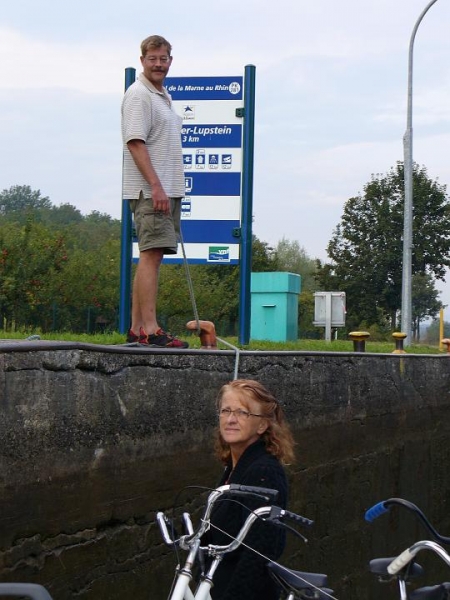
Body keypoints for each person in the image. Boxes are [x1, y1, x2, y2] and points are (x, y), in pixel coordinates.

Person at [121, 34, 188, 348]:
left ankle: (138, 329)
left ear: (170, 61)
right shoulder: (139, 95)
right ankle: (150, 329)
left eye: (163, 59)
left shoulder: (162, 96)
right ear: (142, 61)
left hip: (166, 189)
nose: (158, 64)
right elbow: (135, 142)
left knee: (152, 255)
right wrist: (155, 186)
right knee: (151, 255)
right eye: (153, 59)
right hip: (152, 191)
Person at [206, 379, 296, 600]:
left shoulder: (264, 471)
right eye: (226, 411)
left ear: (262, 425)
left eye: (242, 413)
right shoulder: (234, 467)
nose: (231, 419)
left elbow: (261, 551)